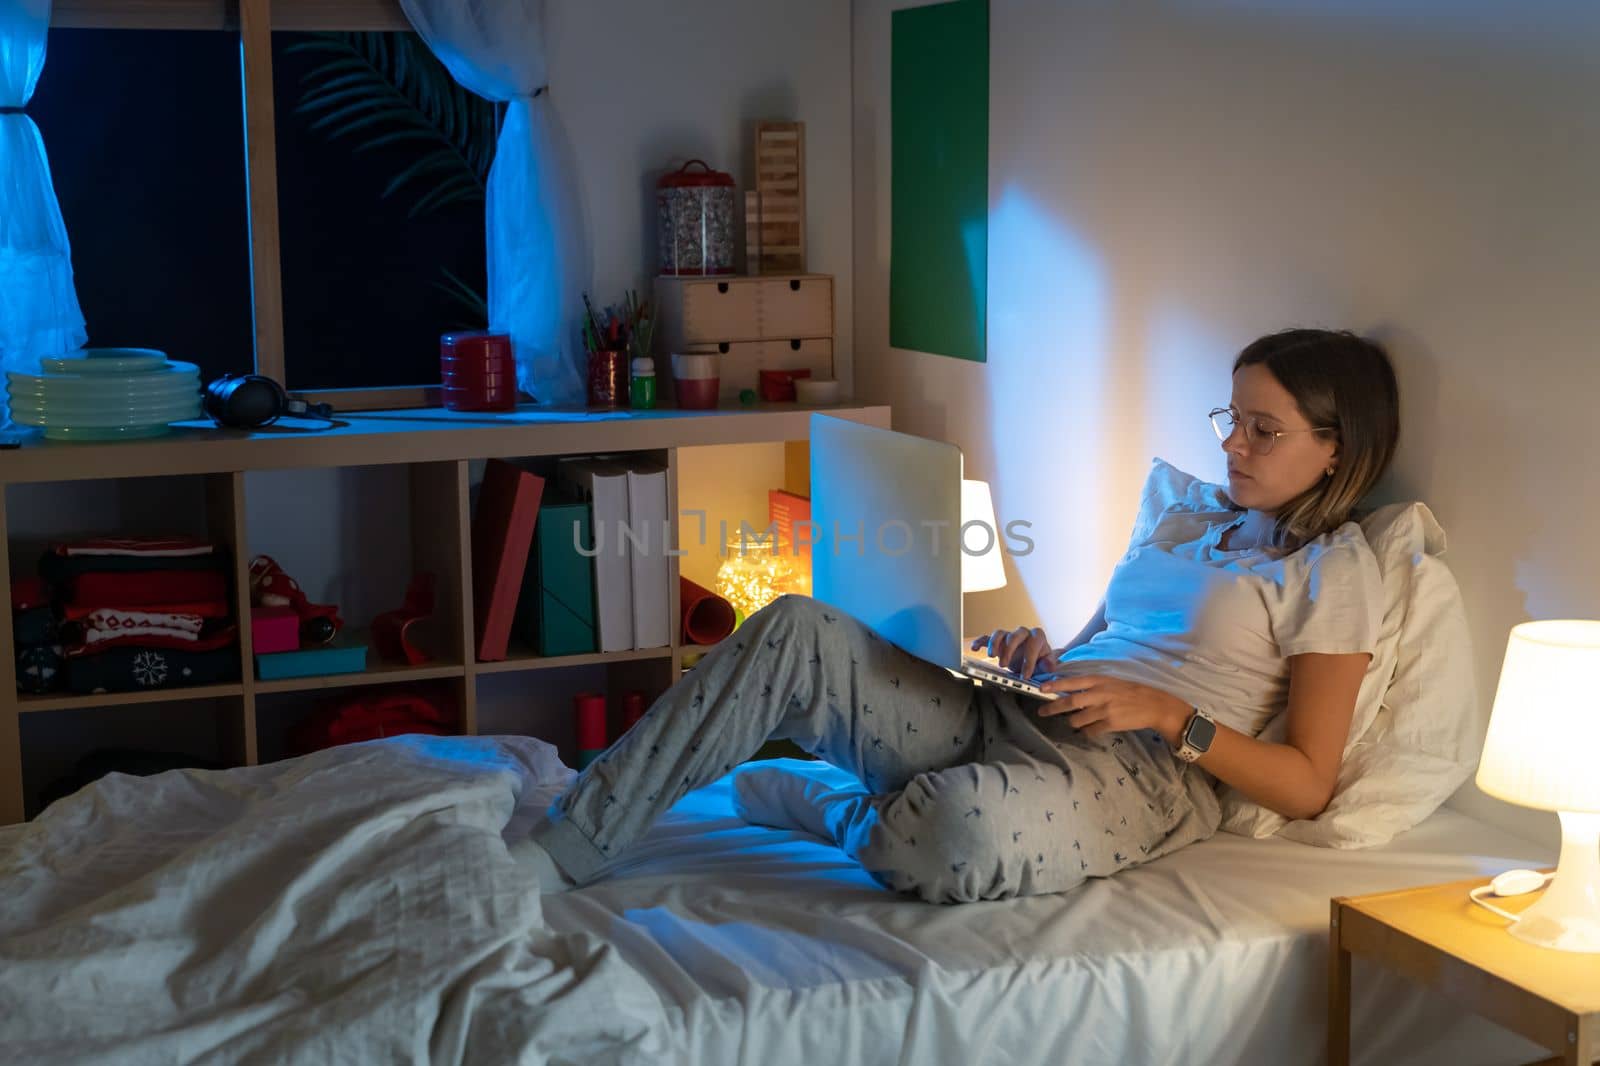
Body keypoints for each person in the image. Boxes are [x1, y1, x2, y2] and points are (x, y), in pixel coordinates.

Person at [517, 328, 1401, 904]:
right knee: (796, 626)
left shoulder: (1333, 571)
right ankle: (573, 842)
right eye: (1232, 418)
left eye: (1263, 430)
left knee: (954, 832)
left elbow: (1307, 782)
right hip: (1031, 706)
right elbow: (1102, 643)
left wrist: (1173, 717)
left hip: (1141, 777)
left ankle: (830, 811)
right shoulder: (1186, 516)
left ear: (1336, 450)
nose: (1231, 444)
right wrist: (1038, 654)